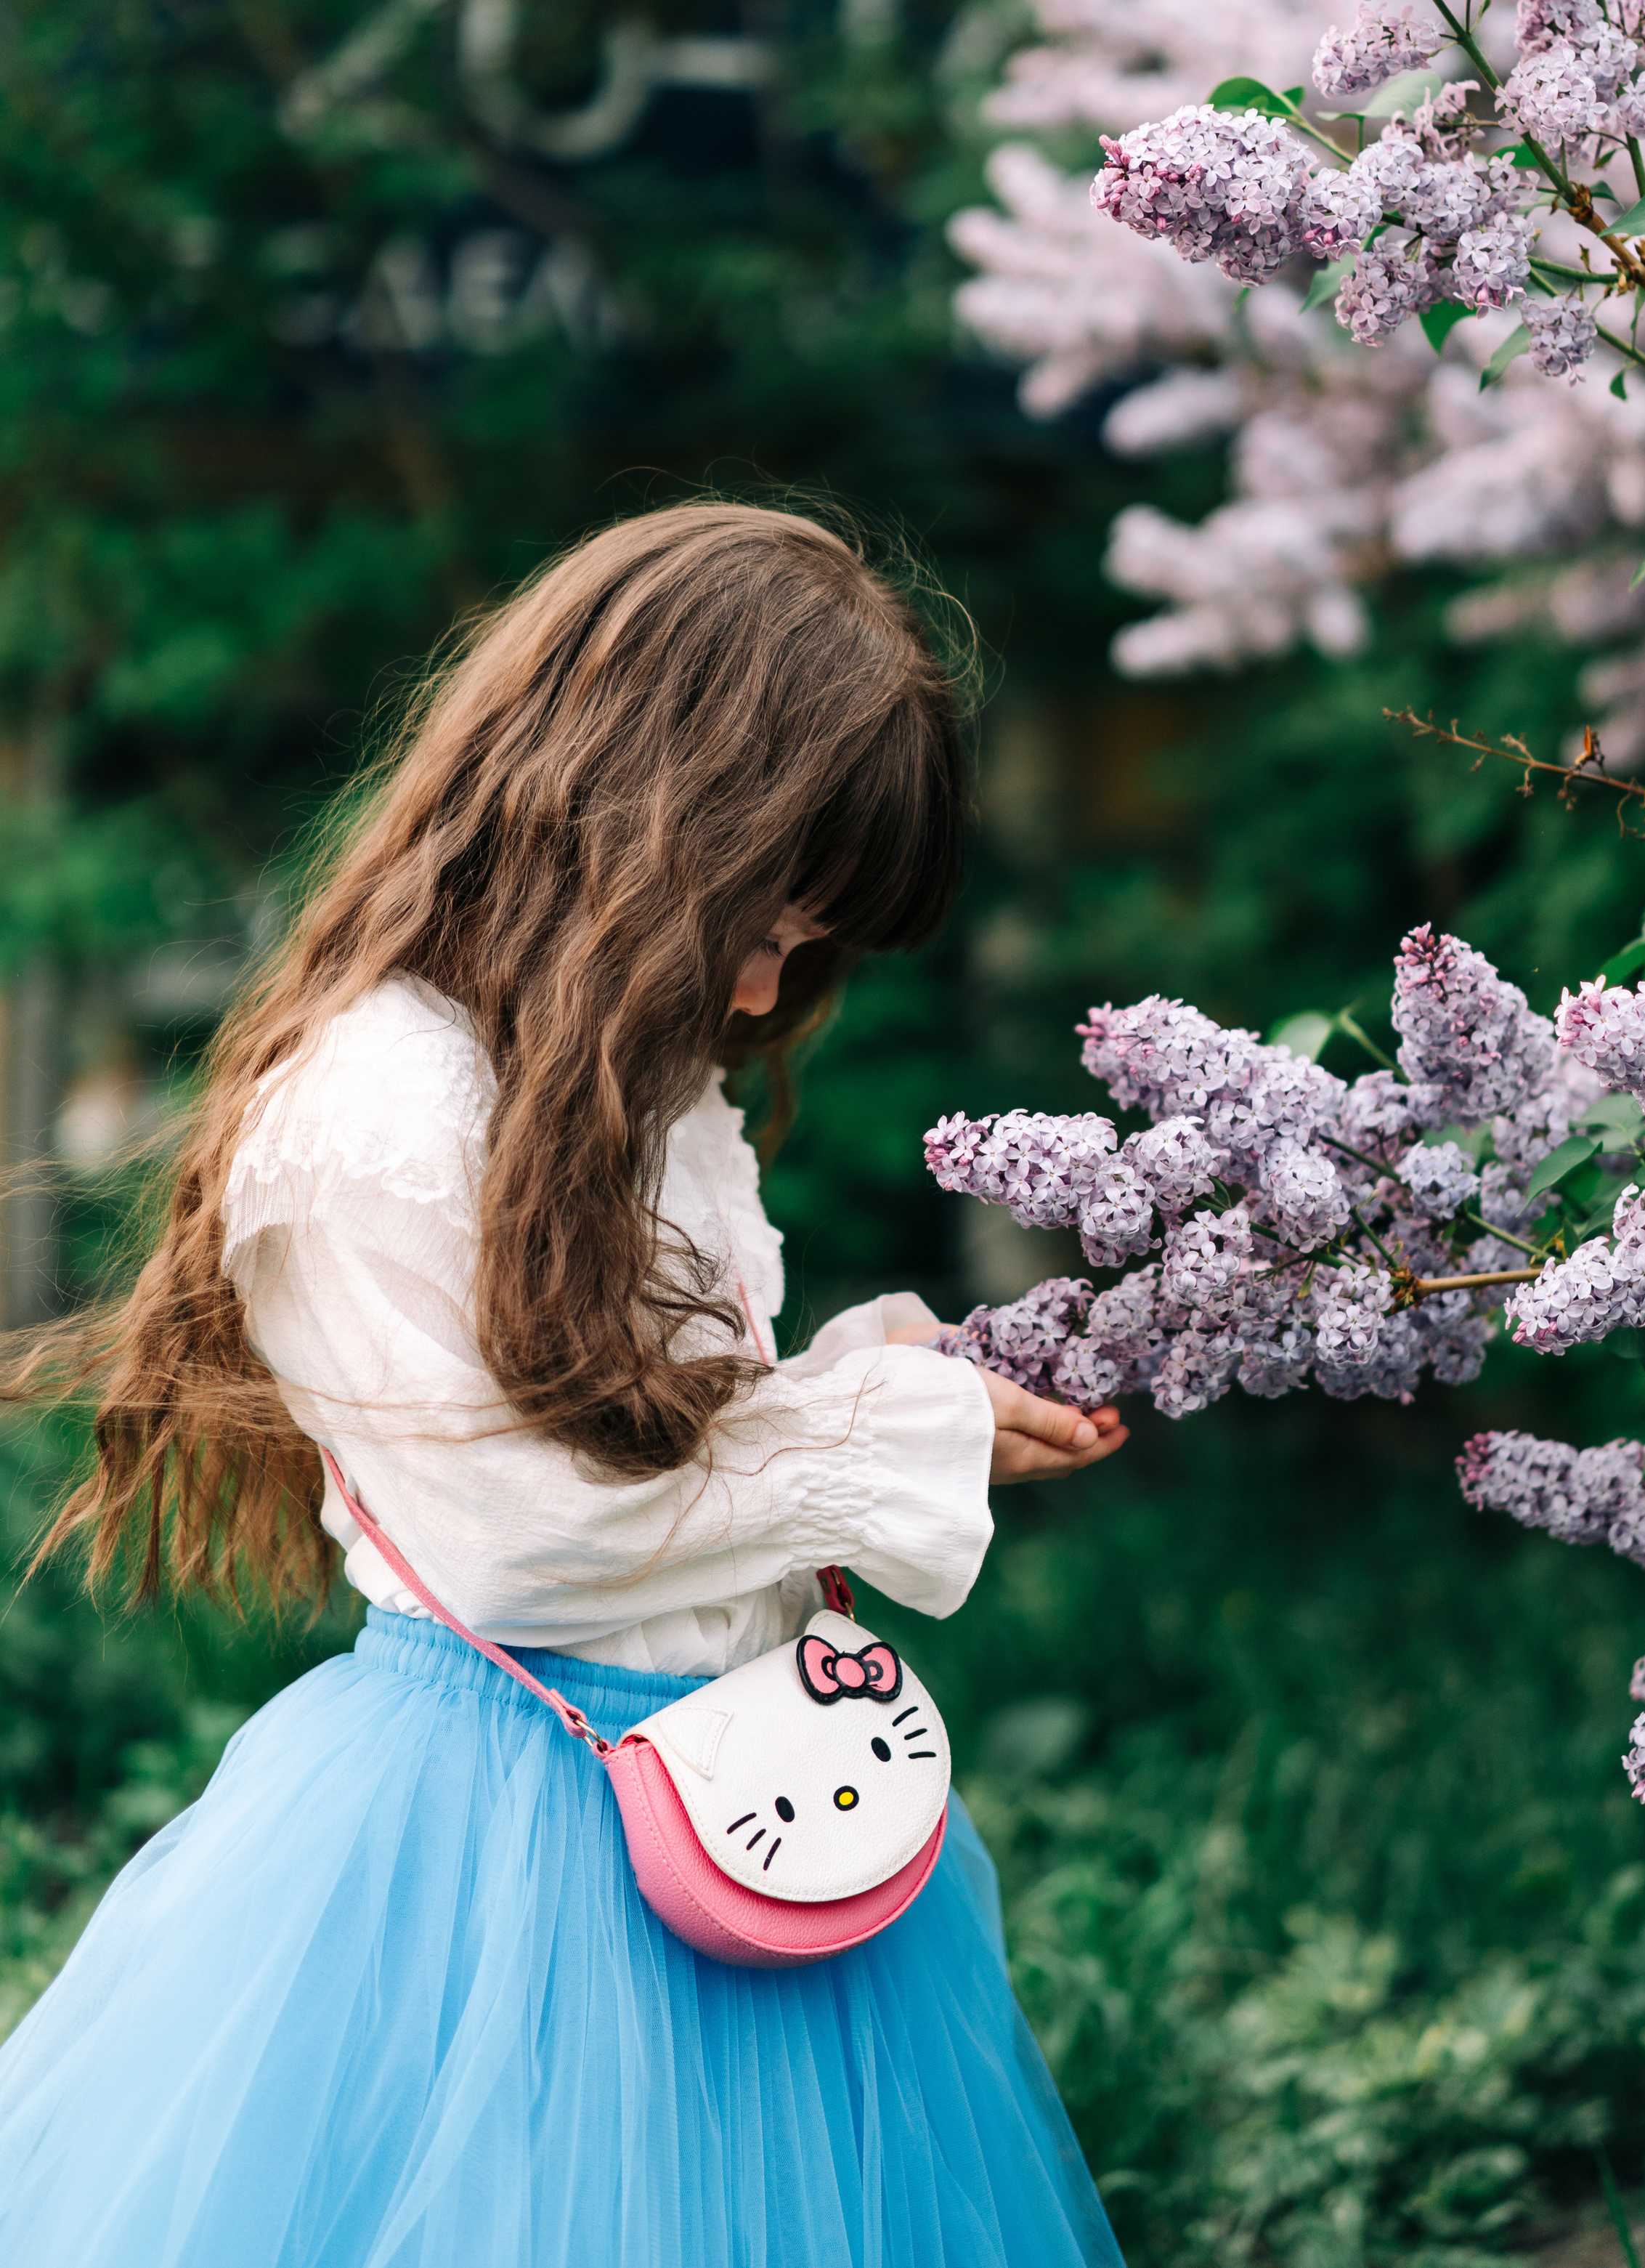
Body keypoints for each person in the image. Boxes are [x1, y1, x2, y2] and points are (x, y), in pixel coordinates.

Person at [0, 503, 1129, 2267]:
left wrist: (868, 1377)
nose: (770, 981)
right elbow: (522, 1537)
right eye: (764, 913)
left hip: (751, 1802)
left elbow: (655, 1449)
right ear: (638, 824)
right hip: (497, 1844)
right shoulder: (375, 1109)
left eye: (809, 937)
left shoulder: (651, 1087)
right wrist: (879, 1434)